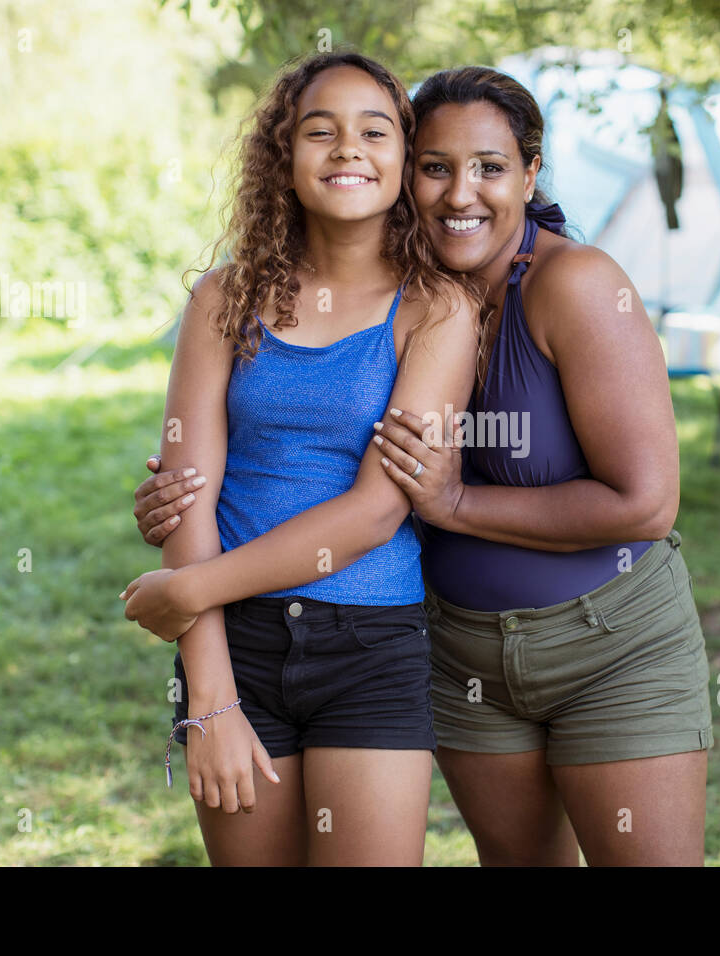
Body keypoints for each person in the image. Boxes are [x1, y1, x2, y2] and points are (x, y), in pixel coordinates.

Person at [134, 66, 713, 866]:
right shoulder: (251, 298)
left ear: (530, 173)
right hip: (455, 646)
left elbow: (644, 505)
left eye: (490, 167)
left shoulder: (531, 290)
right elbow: (211, 478)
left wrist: (455, 504)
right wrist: (206, 672)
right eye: (438, 167)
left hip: (591, 639)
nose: (460, 192)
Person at [119, 51, 479, 866]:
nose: (348, 148)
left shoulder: (436, 309)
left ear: (403, 161)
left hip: (373, 641)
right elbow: (184, 494)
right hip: (230, 645)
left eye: (374, 132)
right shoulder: (223, 298)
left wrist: (182, 591)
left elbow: (373, 513)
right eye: (320, 131)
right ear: (284, 158)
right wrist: (208, 697)